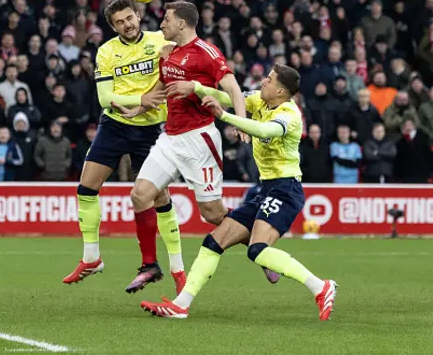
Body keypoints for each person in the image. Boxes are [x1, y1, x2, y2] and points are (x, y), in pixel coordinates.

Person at [140, 65, 337, 320]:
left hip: (285, 190)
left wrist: (224, 116)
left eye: (269, 79)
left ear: (280, 90)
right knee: (213, 242)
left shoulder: (290, 114)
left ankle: (321, 287)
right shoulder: (259, 100)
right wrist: (197, 88)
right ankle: (181, 305)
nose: (263, 81)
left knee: (257, 250)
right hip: (265, 189)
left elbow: (265, 131)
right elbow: (228, 96)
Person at [116, 1, 249, 293]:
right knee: (140, 195)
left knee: (213, 215)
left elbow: (234, 89)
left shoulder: (207, 53)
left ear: (183, 24)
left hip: (199, 140)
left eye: (166, 19)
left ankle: (258, 244)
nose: (161, 24)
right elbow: (160, 92)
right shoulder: (168, 53)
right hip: (170, 138)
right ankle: (150, 265)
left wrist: (240, 122)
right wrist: (135, 109)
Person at [63, 0, 184, 294]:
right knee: (86, 188)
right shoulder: (106, 52)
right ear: (113, 26)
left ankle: (178, 269)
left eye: (130, 18)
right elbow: (106, 98)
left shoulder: (160, 40)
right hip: (115, 126)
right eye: (120, 22)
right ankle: (91, 258)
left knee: (160, 197)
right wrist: (140, 99)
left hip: (152, 130)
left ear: (139, 15)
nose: (127, 24)